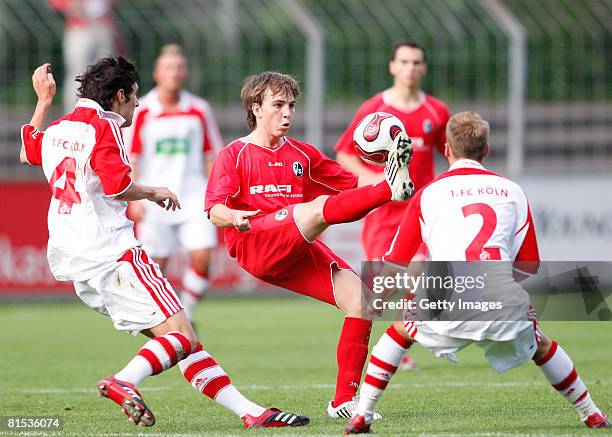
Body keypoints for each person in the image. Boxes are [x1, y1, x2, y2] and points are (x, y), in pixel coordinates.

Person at [19, 58, 308, 429]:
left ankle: (250, 412)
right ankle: (123, 381)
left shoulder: (60, 128)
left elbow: (29, 150)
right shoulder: (104, 127)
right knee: (182, 336)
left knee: (178, 340)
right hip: (114, 254)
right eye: (134, 97)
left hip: (75, 264)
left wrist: (43, 101)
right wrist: (154, 191)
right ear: (119, 95)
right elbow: (118, 186)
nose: (137, 105)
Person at [344, 112, 610, 433]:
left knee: (400, 332)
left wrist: (377, 299)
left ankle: (362, 415)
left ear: (446, 150)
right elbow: (529, 264)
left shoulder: (428, 193)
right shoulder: (512, 191)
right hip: (500, 295)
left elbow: (397, 262)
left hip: (445, 297)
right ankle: (591, 413)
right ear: (486, 150)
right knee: (540, 345)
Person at [205, 71, 414, 418]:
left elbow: (352, 182)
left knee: (361, 302)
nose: (287, 113)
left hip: (295, 245)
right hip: (255, 241)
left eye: (291, 105)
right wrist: (234, 217)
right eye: (277, 105)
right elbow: (214, 210)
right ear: (255, 108)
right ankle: (389, 190)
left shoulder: (303, 154)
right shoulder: (234, 154)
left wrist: (392, 174)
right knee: (315, 209)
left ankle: (343, 401)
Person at [334, 40, 450, 371]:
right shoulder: (374, 109)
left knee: (418, 273)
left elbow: (453, 154)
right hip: (384, 212)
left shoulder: (436, 112)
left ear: (423, 68)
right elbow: (343, 154)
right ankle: (369, 348)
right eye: (404, 61)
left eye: (416, 62)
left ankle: (399, 343)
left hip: (422, 210)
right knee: (379, 291)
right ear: (392, 66)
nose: (410, 68)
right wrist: (377, 181)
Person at [125, 44, 222, 320]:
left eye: (179, 67)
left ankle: (186, 313)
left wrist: (215, 195)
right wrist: (136, 198)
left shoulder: (199, 109)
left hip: (193, 196)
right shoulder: (143, 109)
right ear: (157, 73)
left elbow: (211, 155)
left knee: (203, 258)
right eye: (169, 67)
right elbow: (132, 157)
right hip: (154, 197)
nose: (175, 73)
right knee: (157, 266)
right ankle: (164, 319)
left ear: (186, 72)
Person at [48, 0, 118, 113]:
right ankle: (74, 116)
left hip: (103, 26)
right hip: (79, 27)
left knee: (108, 74)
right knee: (78, 76)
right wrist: (78, 10)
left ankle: (105, 116)